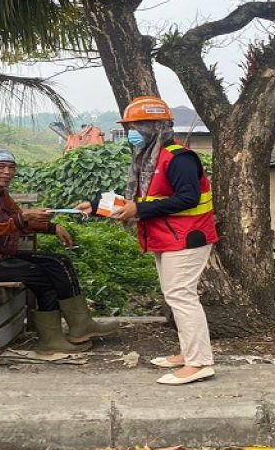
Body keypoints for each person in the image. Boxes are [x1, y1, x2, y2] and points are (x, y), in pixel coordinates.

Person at [77, 96, 216, 386]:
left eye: (137, 124)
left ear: (156, 125)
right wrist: (95, 205)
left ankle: (200, 362)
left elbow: (187, 197)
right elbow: (138, 201)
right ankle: (189, 353)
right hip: (166, 237)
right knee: (175, 296)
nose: (132, 131)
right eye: (130, 125)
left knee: (181, 295)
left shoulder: (179, 158)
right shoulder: (147, 159)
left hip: (187, 238)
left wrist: (138, 210)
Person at [0, 148, 117, 354]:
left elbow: (19, 219)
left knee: (59, 263)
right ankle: (50, 340)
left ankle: (81, 326)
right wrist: (24, 217)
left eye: (11, 167)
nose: (7, 172)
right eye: (0, 167)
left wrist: (52, 227)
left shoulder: (2, 195)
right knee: (40, 276)